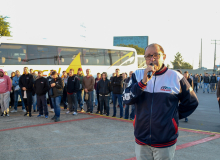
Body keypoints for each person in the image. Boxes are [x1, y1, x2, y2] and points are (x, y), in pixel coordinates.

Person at [123, 43, 198, 160]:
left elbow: (192, 102)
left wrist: (172, 117)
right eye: (148, 56)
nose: (151, 59)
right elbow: (126, 99)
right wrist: (142, 83)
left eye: (155, 55)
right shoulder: (137, 75)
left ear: (164, 56)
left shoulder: (176, 77)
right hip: (142, 139)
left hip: (165, 141)